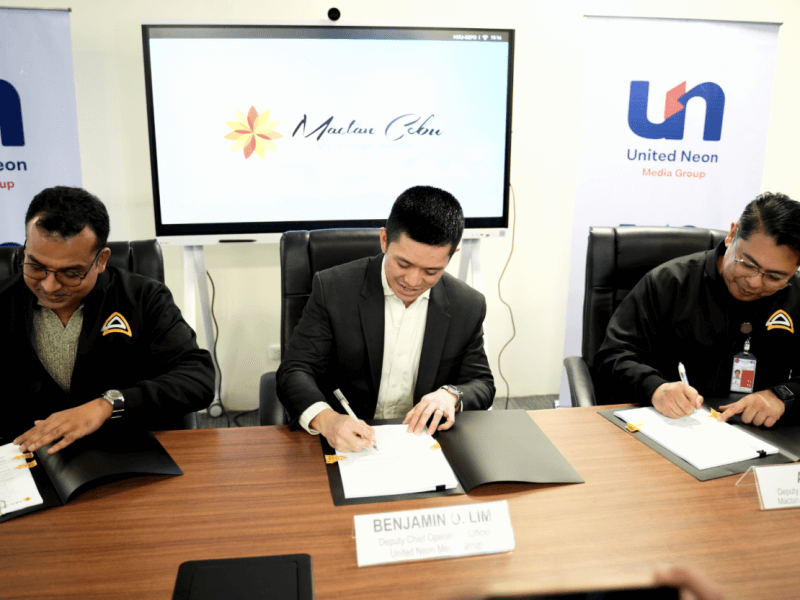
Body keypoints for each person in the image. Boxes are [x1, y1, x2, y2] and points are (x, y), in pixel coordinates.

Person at [277, 185, 495, 451]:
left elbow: (481, 383)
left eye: (431, 271)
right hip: (343, 443)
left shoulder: (467, 305)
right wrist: (328, 420)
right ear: (384, 240)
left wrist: (451, 396)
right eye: (403, 264)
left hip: (421, 445)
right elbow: (295, 370)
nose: (413, 281)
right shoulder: (333, 288)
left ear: (452, 256)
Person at [3, 186, 214, 453]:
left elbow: (197, 379)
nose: (49, 286)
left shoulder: (142, 298)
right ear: (25, 250)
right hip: (27, 459)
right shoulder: (3, 303)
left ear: (100, 260)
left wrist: (109, 404)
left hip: (127, 451)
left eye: (70, 273)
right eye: (36, 266)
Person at [595, 192, 800, 428]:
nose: (754, 282)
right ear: (732, 235)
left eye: (775, 277)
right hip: (672, 426)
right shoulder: (669, 282)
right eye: (748, 264)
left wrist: (782, 395)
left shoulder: (797, 295)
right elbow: (612, 357)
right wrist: (655, 387)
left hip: (759, 433)